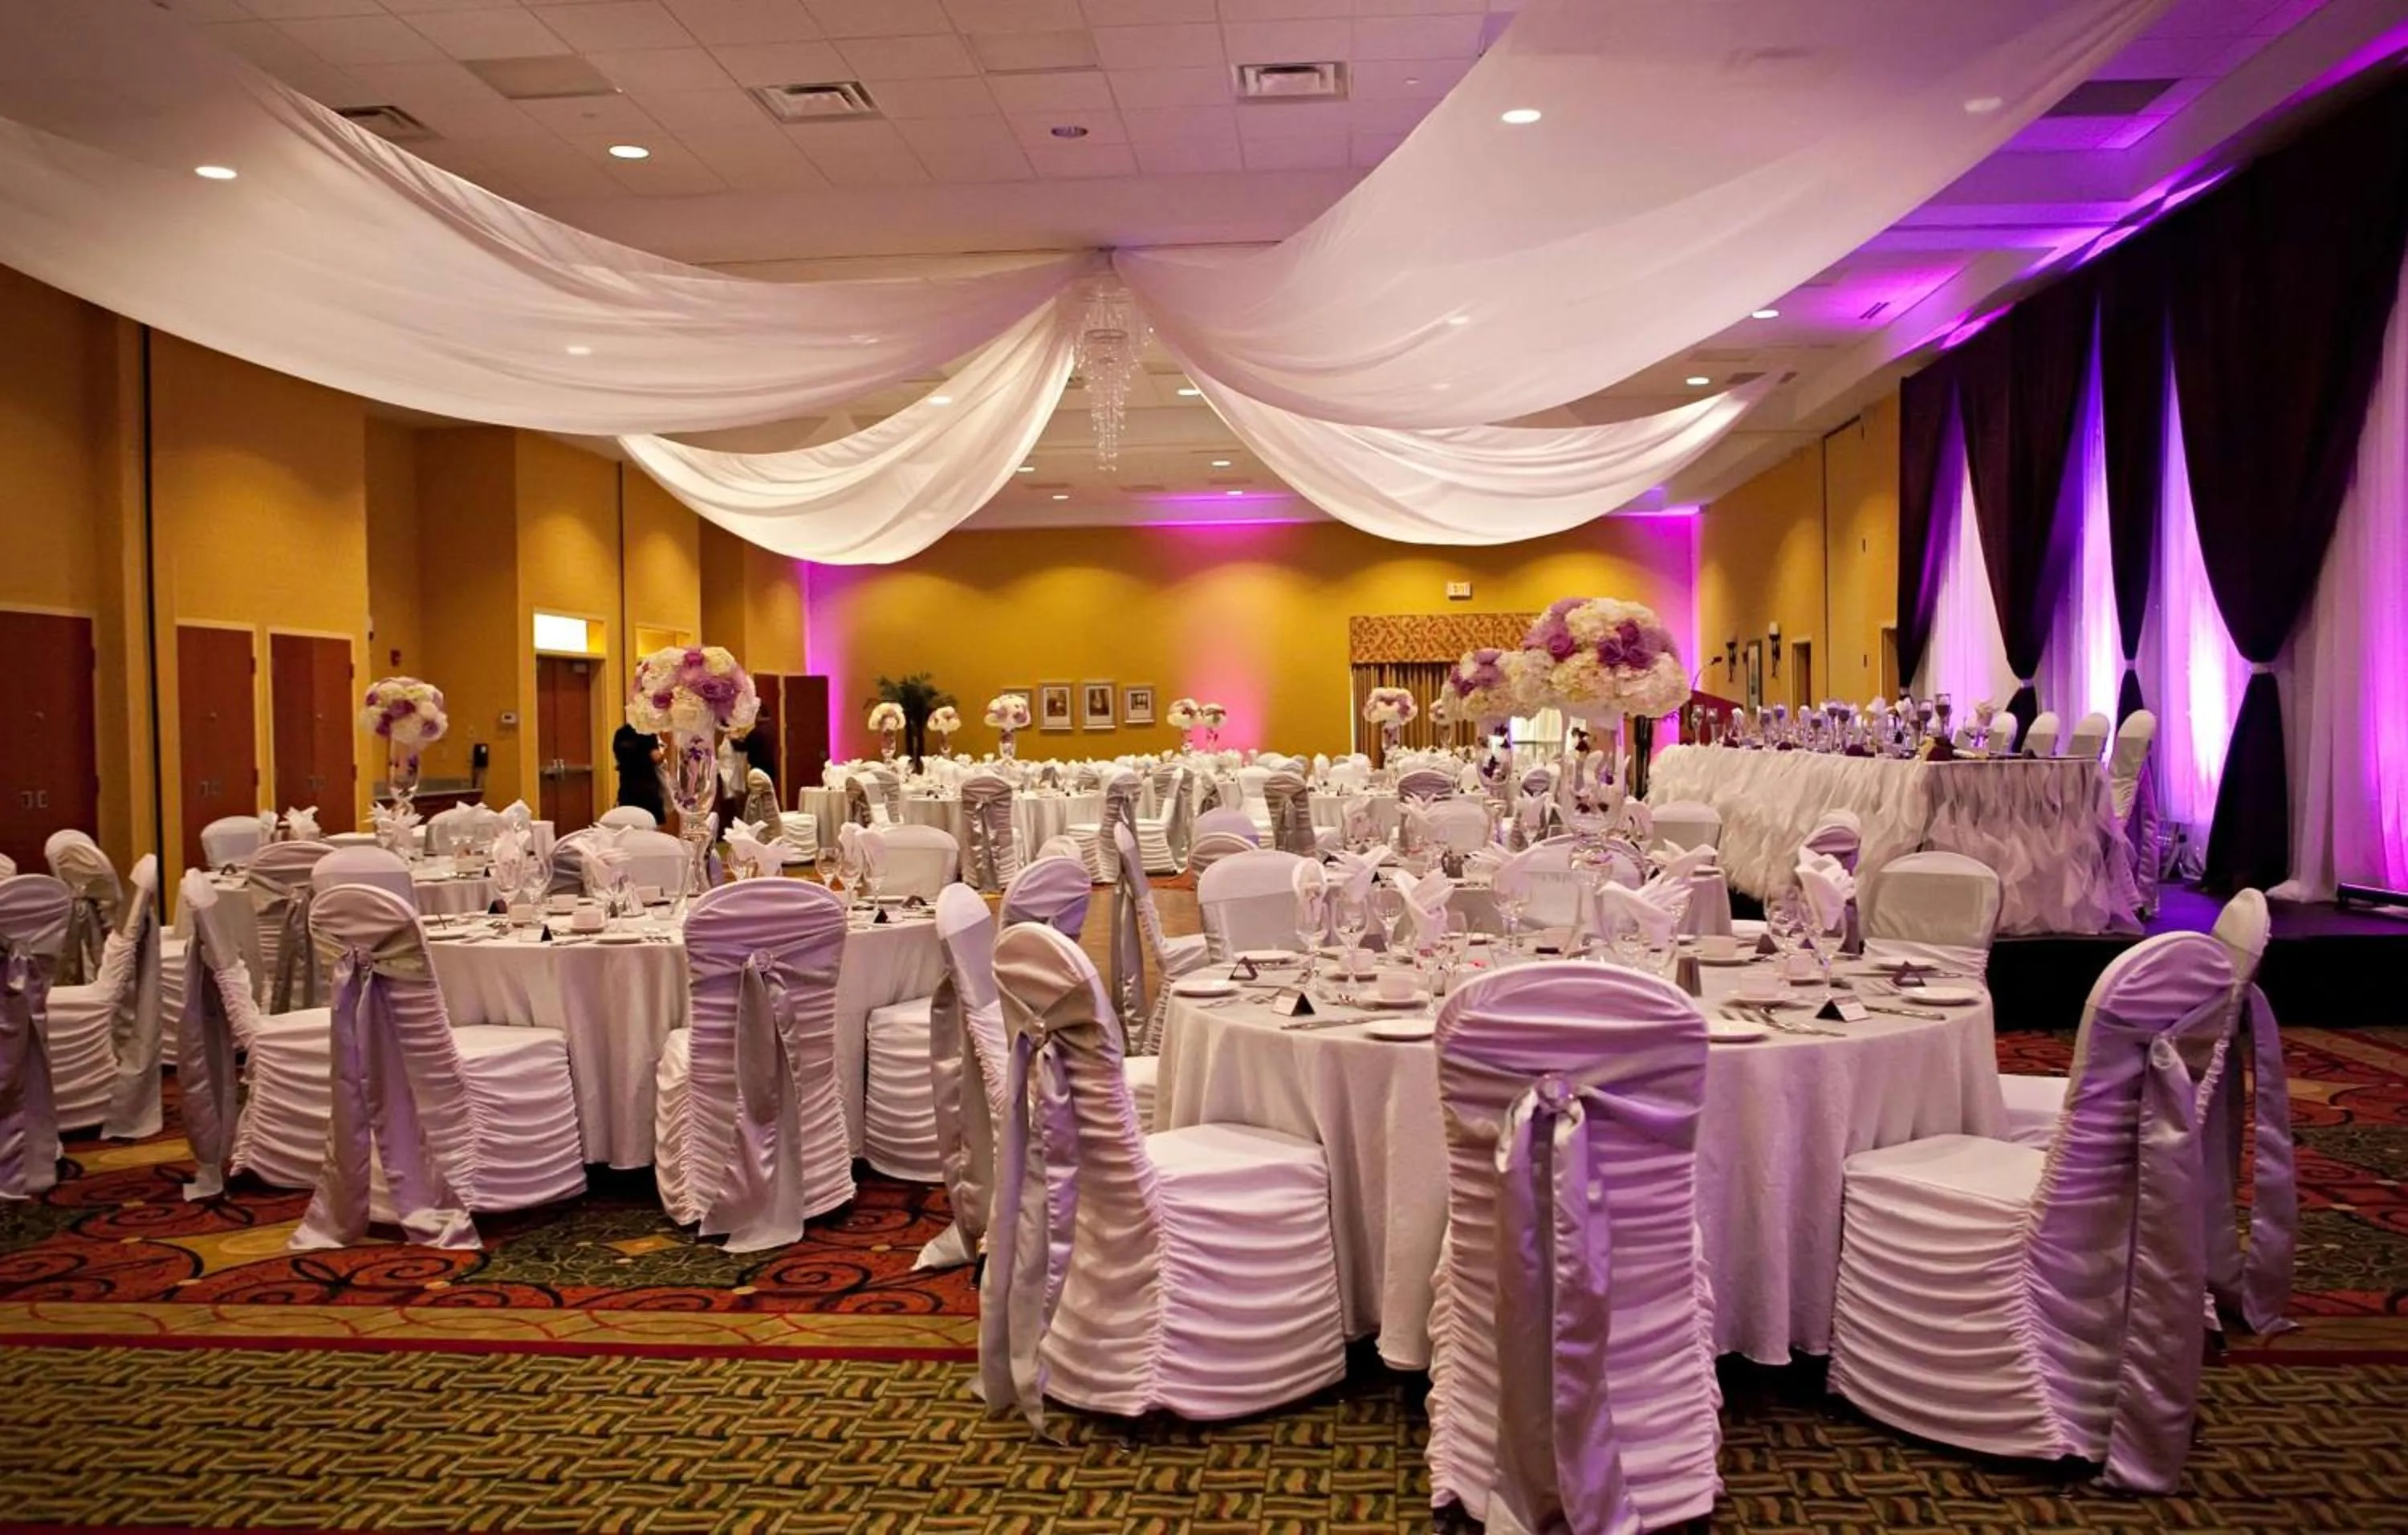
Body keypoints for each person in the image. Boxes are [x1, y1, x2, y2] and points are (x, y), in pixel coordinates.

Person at [612, 723, 665, 822]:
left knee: (628, 824)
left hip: (628, 788)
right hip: (648, 789)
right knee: (651, 826)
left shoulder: (622, 733)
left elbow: (619, 756)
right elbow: (656, 757)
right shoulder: (649, 734)